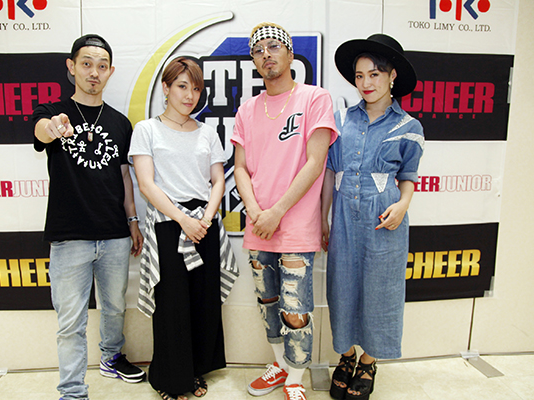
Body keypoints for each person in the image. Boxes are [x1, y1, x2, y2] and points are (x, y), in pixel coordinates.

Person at [33, 34, 146, 400]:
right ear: (72, 67)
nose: (94, 72)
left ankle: (111, 357)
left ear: (110, 71)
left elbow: (124, 176)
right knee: (71, 323)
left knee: (114, 308)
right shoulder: (52, 112)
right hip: (70, 236)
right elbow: (41, 132)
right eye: (86, 64)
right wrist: (52, 128)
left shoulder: (121, 123)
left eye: (101, 66)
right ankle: (72, 391)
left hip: (114, 235)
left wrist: (132, 221)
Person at [232, 22, 337, 400]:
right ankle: (279, 364)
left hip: (295, 226)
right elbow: (240, 167)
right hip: (258, 225)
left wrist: (277, 211)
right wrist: (256, 210)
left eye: (274, 47)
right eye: (258, 50)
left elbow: (316, 161)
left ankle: (296, 376)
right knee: (268, 303)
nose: (266, 55)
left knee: (296, 308)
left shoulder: (315, 98)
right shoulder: (247, 109)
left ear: (291, 54)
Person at [321, 34, 424, 400]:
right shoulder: (340, 120)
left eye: (374, 74)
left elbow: (408, 177)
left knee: (381, 291)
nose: (365, 83)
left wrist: (403, 204)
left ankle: (368, 361)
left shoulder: (409, 126)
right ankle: (346, 356)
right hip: (344, 218)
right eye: (359, 75)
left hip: (385, 219)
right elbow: (329, 173)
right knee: (342, 287)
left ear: (392, 76)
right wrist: (323, 219)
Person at [130, 57, 238, 400]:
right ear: (166, 88)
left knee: (203, 302)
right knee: (171, 307)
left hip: (204, 225)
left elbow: (218, 180)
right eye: (181, 86)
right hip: (169, 227)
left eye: (195, 88)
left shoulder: (207, 132)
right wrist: (183, 219)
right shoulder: (146, 130)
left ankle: (194, 371)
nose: (189, 95)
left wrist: (205, 219)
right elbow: (146, 184)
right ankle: (170, 379)